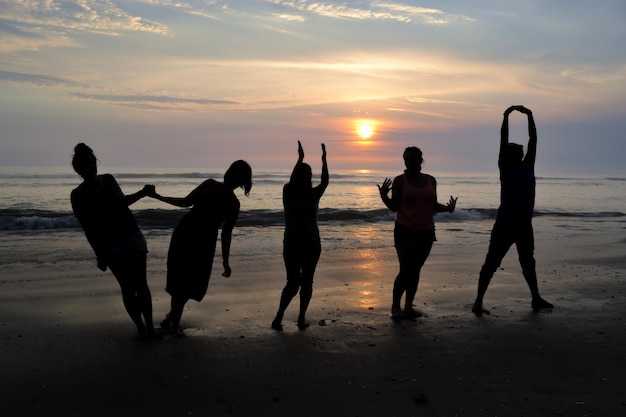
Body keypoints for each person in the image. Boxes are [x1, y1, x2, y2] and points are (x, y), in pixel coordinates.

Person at [149, 160, 252, 334]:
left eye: (234, 173)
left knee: (188, 282)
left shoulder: (232, 202)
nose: (230, 175)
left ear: (240, 181)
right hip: (186, 234)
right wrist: (159, 197)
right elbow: (186, 202)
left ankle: (173, 317)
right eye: (231, 171)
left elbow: (226, 233)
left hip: (202, 241)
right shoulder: (211, 185)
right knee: (179, 279)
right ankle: (174, 319)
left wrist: (226, 261)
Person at [472, 105, 553, 316]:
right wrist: (506, 116)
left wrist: (530, 116)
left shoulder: (528, 166)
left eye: (522, 150)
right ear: (510, 154)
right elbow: (502, 139)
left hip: (524, 224)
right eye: (518, 150)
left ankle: (536, 298)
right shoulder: (505, 167)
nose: (522, 151)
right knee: (492, 262)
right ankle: (478, 302)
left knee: (528, 261)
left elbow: (533, 140)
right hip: (505, 223)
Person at [70, 143, 158, 339]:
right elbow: (88, 229)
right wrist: (99, 255)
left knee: (141, 285)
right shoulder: (78, 195)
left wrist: (143, 193)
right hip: (109, 243)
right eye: (86, 164)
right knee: (127, 287)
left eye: (93, 163)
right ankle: (141, 329)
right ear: (79, 169)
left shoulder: (109, 180)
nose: (91, 167)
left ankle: (151, 328)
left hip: (132, 234)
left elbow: (122, 202)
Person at [378, 147, 457, 320]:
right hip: (405, 230)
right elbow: (395, 207)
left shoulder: (431, 180)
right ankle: (395, 307)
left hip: (426, 232)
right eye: (406, 159)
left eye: (412, 159)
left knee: (415, 270)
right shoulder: (400, 181)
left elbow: (433, 205)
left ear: (421, 160)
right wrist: (384, 196)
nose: (409, 162)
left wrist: (448, 209)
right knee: (406, 270)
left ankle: (408, 307)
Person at [271, 141, 328, 331]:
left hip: (312, 243)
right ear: (297, 175)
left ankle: (302, 317)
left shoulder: (314, 194)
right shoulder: (288, 192)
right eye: (303, 173)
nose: (306, 176)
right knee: (293, 282)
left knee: (308, 282)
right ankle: (279, 315)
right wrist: (300, 159)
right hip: (292, 244)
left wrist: (324, 159)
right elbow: (293, 177)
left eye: (308, 174)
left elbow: (325, 181)